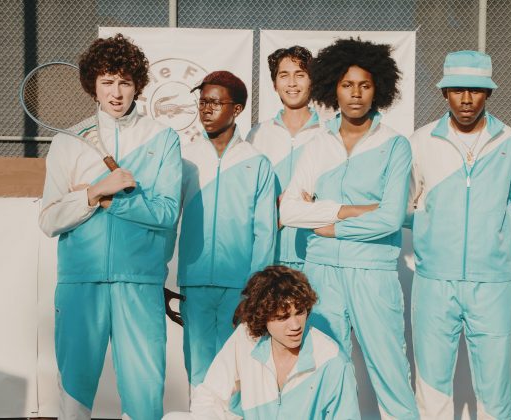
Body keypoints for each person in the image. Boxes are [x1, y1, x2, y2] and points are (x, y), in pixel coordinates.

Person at [39, 34, 182, 420]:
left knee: (145, 398)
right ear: (93, 85)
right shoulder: (67, 142)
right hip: (79, 281)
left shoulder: (163, 138)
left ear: (137, 85)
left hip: (139, 282)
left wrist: (109, 200)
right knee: (73, 396)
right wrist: (95, 193)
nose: (116, 93)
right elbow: (49, 219)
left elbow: (167, 212)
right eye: (107, 82)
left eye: (124, 82)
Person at [280, 38, 419, 419]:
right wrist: (345, 210)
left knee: (390, 371)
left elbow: (391, 218)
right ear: (333, 88)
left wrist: (332, 227)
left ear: (378, 89)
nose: (355, 94)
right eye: (346, 84)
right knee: (326, 373)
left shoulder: (395, 145)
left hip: (373, 273)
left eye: (364, 85)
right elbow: (289, 210)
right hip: (321, 271)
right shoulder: (318, 143)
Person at [406, 50, 511, 419]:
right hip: (434, 283)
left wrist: (489, 226)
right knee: (431, 391)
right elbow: (403, 206)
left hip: (492, 284)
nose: (466, 99)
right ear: (444, 93)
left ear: (488, 93)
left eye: (476, 91)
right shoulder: (421, 141)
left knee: (496, 395)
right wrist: (436, 225)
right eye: (457, 90)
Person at [177, 70, 277, 391]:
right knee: (198, 372)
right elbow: (168, 219)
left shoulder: (257, 162)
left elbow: (266, 233)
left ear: (237, 109)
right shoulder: (185, 158)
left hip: (240, 287)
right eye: (202, 102)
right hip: (194, 283)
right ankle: (200, 413)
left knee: (239, 371)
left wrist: (255, 290)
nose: (206, 110)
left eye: (215, 103)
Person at [164, 265, 361, 420]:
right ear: (263, 317)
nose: (295, 325)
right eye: (283, 317)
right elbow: (210, 395)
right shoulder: (246, 338)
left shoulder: (332, 361)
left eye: (300, 312)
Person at [247, 46, 320, 270]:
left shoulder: (328, 133)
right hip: (269, 257)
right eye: (284, 75)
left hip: (313, 255)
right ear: (274, 84)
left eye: (300, 75)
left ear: (312, 81)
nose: (292, 83)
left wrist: (315, 208)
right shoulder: (258, 134)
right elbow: (247, 195)